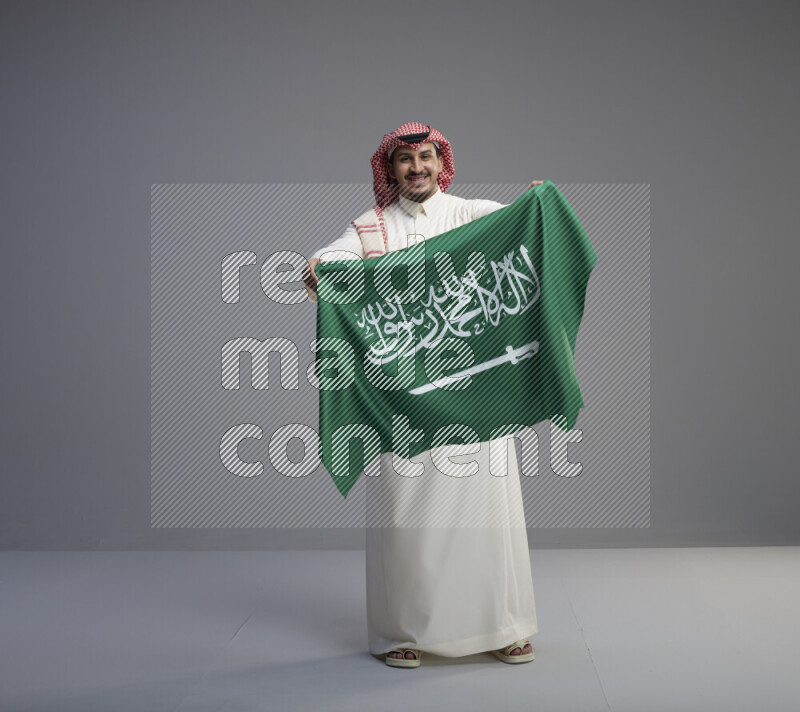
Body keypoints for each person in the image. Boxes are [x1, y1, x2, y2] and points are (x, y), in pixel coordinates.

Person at [306, 122, 542, 668]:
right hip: (403, 400)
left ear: (442, 163)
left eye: (426, 157)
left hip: (475, 390)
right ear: (390, 170)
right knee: (405, 517)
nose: (417, 168)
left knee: (490, 511)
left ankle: (503, 628)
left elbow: (521, 226)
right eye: (406, 160)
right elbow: (333, 260)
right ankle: (401, 634)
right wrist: (318, 268)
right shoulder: (372, 229)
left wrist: (539, 204)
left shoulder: (467, 214)